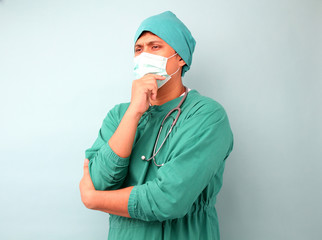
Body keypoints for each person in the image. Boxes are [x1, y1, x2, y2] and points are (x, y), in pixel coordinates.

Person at [79, 11, 234, 240]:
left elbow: (169, 199)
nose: (144, 56)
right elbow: (100, 180)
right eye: (138, 49)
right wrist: (134, 113)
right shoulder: (119, 115)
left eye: (155, 47)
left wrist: (94, 199)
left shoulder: (206, 116)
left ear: (180, 57)